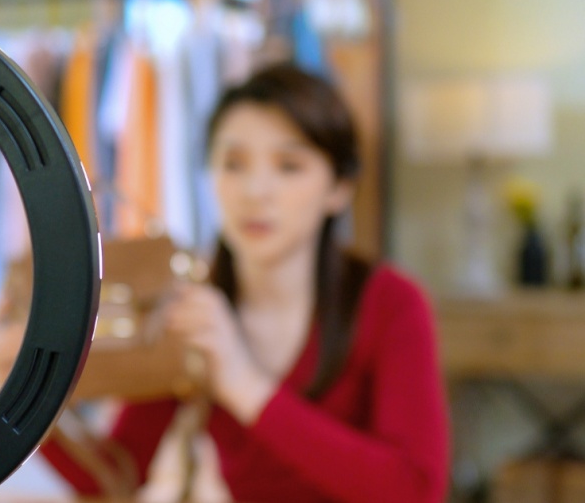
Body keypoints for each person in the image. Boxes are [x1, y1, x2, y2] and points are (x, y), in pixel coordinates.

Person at [32, 64, 450, 503]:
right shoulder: (193, 310)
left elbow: (417, 490)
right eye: (233, 164)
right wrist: (29, 397)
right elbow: (118, 474)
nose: (255, 190)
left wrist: (243, 383)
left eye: (289, 166)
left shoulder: (392, 304)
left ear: (339, 188)